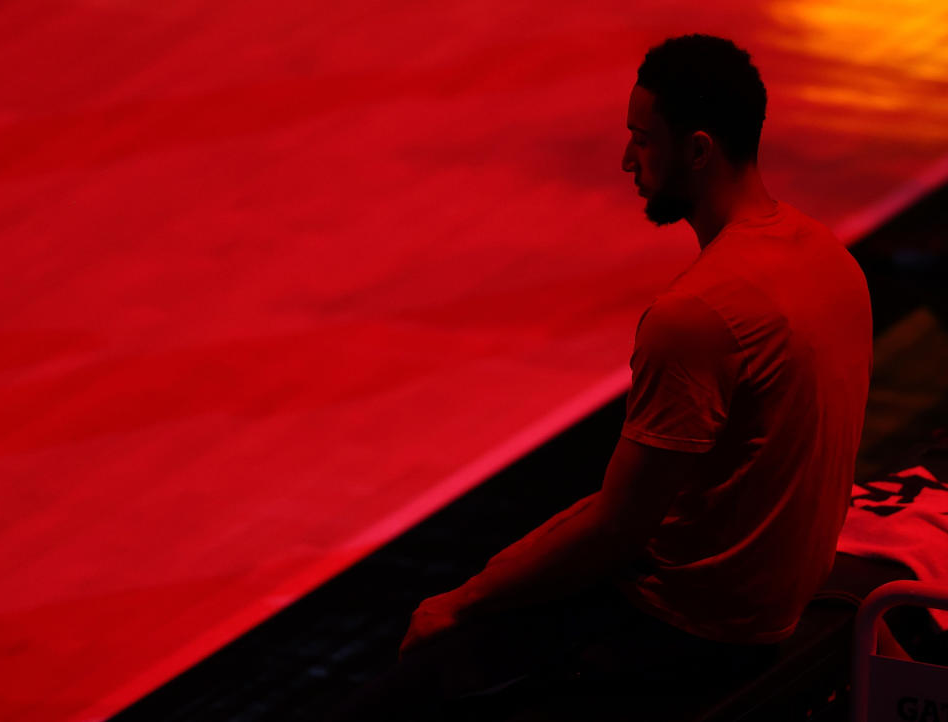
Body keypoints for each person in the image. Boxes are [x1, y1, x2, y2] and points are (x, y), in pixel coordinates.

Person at [324, 33, 873, 721]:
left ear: (698, 150)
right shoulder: (829, 258)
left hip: (689, 634)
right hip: (769, 608)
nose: (624, 161)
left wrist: (462, 599)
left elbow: (619, 527)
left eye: (642, 140)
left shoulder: (697, 312)